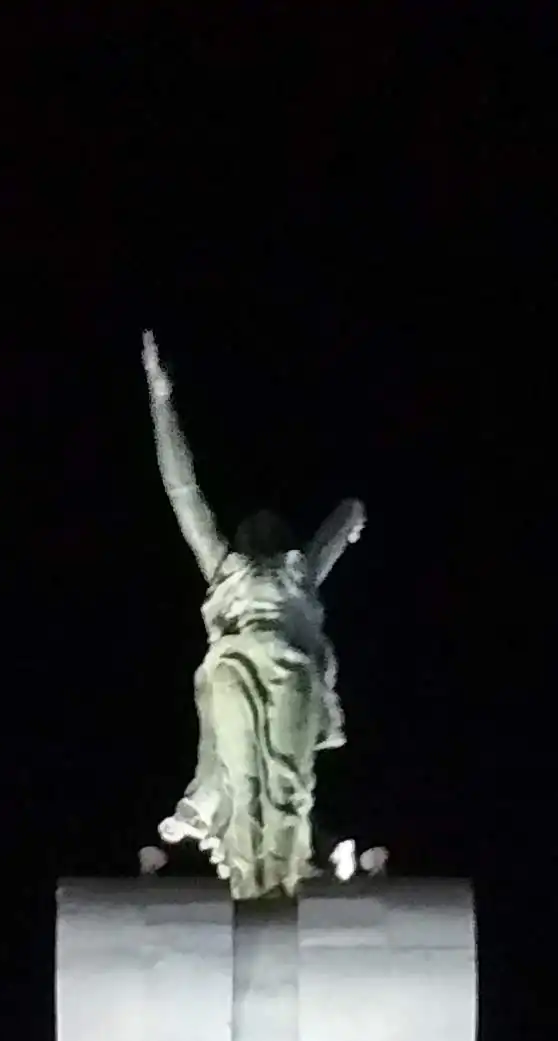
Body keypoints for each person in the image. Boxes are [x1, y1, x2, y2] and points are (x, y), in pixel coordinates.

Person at [143, 334, 363, 901]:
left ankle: (281, 888)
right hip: (235, 664)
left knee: (287, 787)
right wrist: (160, 399)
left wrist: (351, 516)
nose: (260, 525)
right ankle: (249, 885)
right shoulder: (226, 570)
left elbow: (341, 523)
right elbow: (182, 490)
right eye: (252, 524)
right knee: (243, 782)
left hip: (289, 670)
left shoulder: (297, 573)